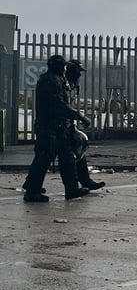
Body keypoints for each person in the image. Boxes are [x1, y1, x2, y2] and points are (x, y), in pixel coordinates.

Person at [21, 55, 93, 202]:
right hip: (50, 127)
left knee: (67, 158)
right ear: (61, 67)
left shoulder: (56, 80)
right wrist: (79, 117)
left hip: (58, 127)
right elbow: (58, 105)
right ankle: (32, 191)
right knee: (44, 158)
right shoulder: (51, 81)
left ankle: (72, 189)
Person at [65, 60, 106, 191]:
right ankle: (32, 186)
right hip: (56, 125)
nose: (79, 75)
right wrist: (80, 117)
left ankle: (85, 180)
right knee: (47, 157)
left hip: (67, 124)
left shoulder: (75, 85)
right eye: (77, 72)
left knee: (79, 151)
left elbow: (70, 105)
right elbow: (63, 106)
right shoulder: (61, 84)